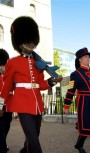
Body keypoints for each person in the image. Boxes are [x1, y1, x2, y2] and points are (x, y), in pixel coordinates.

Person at [0, 16, 62, 153]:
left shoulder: (38, 63)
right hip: (22, 104)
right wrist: (1, 105)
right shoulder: (12, 62)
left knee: (34, 135)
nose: (30, 43)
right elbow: (6, 87)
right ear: (20, 42)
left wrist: (52, 81)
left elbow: (40, 84)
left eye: (32, 40)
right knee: (34, 140)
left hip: (37, 103)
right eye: (27, 41)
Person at [0, 48, 13, 153]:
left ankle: (3, 142)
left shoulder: (9, 74)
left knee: (6, 125)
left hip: (9, 106)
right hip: (0, 106)